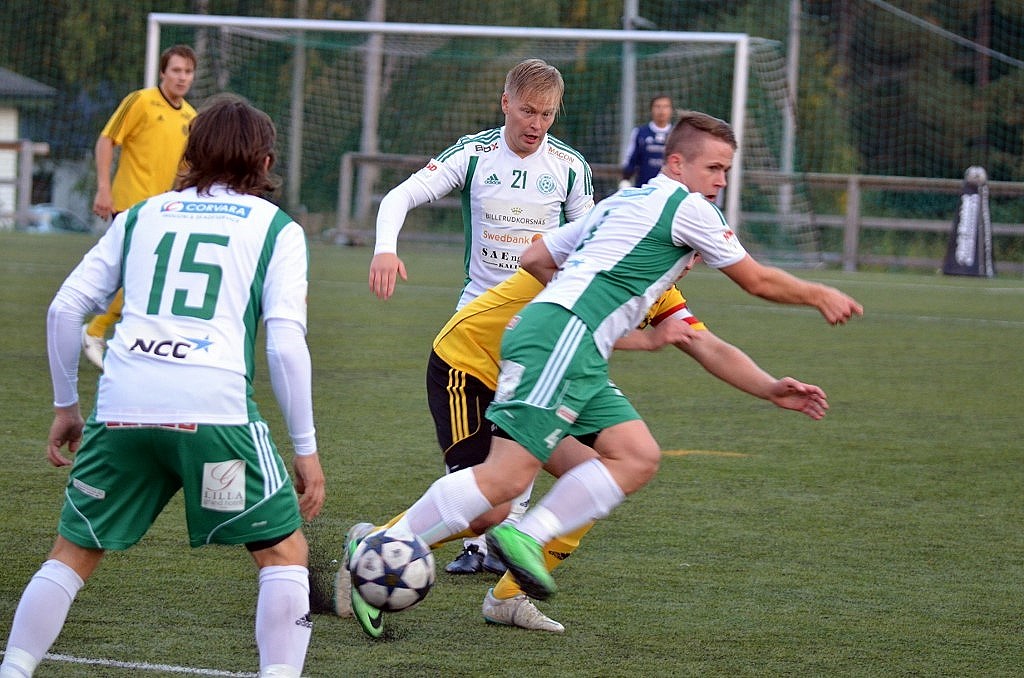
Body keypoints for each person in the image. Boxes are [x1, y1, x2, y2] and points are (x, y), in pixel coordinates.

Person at [352, 110, 861, 621]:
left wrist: (770, 388)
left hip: (574, 348)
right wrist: (819, 294)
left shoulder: (621, 205)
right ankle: (386, 545)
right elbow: (758, 280)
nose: (722, 181)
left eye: (726, 170)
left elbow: (536, 258)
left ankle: (517, 557)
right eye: (714, 168)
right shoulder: (688, 207)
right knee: (503, 483)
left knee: (636, 455)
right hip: (551, 340)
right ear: (677, 164)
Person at [338, 224, 832, 637]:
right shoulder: (600, 259)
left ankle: (507, 599)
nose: (689, 261)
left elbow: (705, 344)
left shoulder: (660, 286)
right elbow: (555, 321)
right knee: (492, 510)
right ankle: (376, 550)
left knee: (598, 474)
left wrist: (770, 388)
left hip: (542, 383)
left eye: (696, 254)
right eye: (687, 249)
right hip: (472, 364)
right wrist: (649, 341)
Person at [0, 95, 325, 678]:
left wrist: (67, 406)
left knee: (72, 554)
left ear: (190, 152)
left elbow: (64, 310)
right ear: (265, 161)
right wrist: (305, 448)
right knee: (283, 552)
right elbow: (283, 344)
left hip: (122, 412)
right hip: (214, 419)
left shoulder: (140, 216)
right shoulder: (278, 229)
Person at [368, 57, 595, 574]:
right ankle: (464, 542)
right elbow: (400, 196)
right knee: (477, 451)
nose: (537, 124)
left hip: (538, 325)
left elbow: (591, 242)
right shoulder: (474, 154)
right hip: (475, 321)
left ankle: (498, 541)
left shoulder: (569, 167)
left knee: (524, 433)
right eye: (528, 111)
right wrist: (384, 249)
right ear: (506, 103)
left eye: (548, 114)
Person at [81, 44, 198, 370]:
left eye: (188, 72)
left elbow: (186, 169)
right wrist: (104, 188)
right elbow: (107, 140)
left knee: (143, 277)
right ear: (163, 72)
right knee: (140, 275)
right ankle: (95, 330)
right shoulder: (141, 101)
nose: (182, 77)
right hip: (130, 204)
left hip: (164, 211)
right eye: (176, 70)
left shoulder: (191, 118)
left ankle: (119, 334)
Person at [620, 94, 674, 189]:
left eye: (665, 107)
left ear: (671, 110)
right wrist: (625, 179)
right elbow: (631, 159)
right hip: (644, 188)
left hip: (669, 188)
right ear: (651, 109)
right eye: (657, 106)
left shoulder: (676, 134)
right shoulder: (640, 132)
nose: (661, 110)